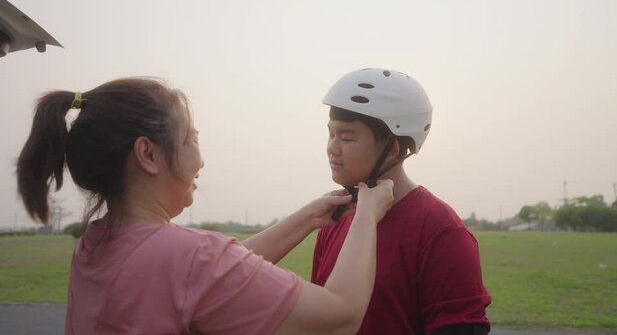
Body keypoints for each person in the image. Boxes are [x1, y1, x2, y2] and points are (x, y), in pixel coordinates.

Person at [16, 77, 395, 335]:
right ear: (147, 154)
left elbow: (209, 277)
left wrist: (305, 219)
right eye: (191, 139)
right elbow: (340, 316)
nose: (201, 158)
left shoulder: (94, 244)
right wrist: (367, 212)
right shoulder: (187, 259)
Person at [311, 68, 492, 335]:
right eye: (331, 134)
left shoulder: (440, 230)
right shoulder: (336, 218)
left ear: (392, 150)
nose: (331, 148)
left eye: (347, 137)